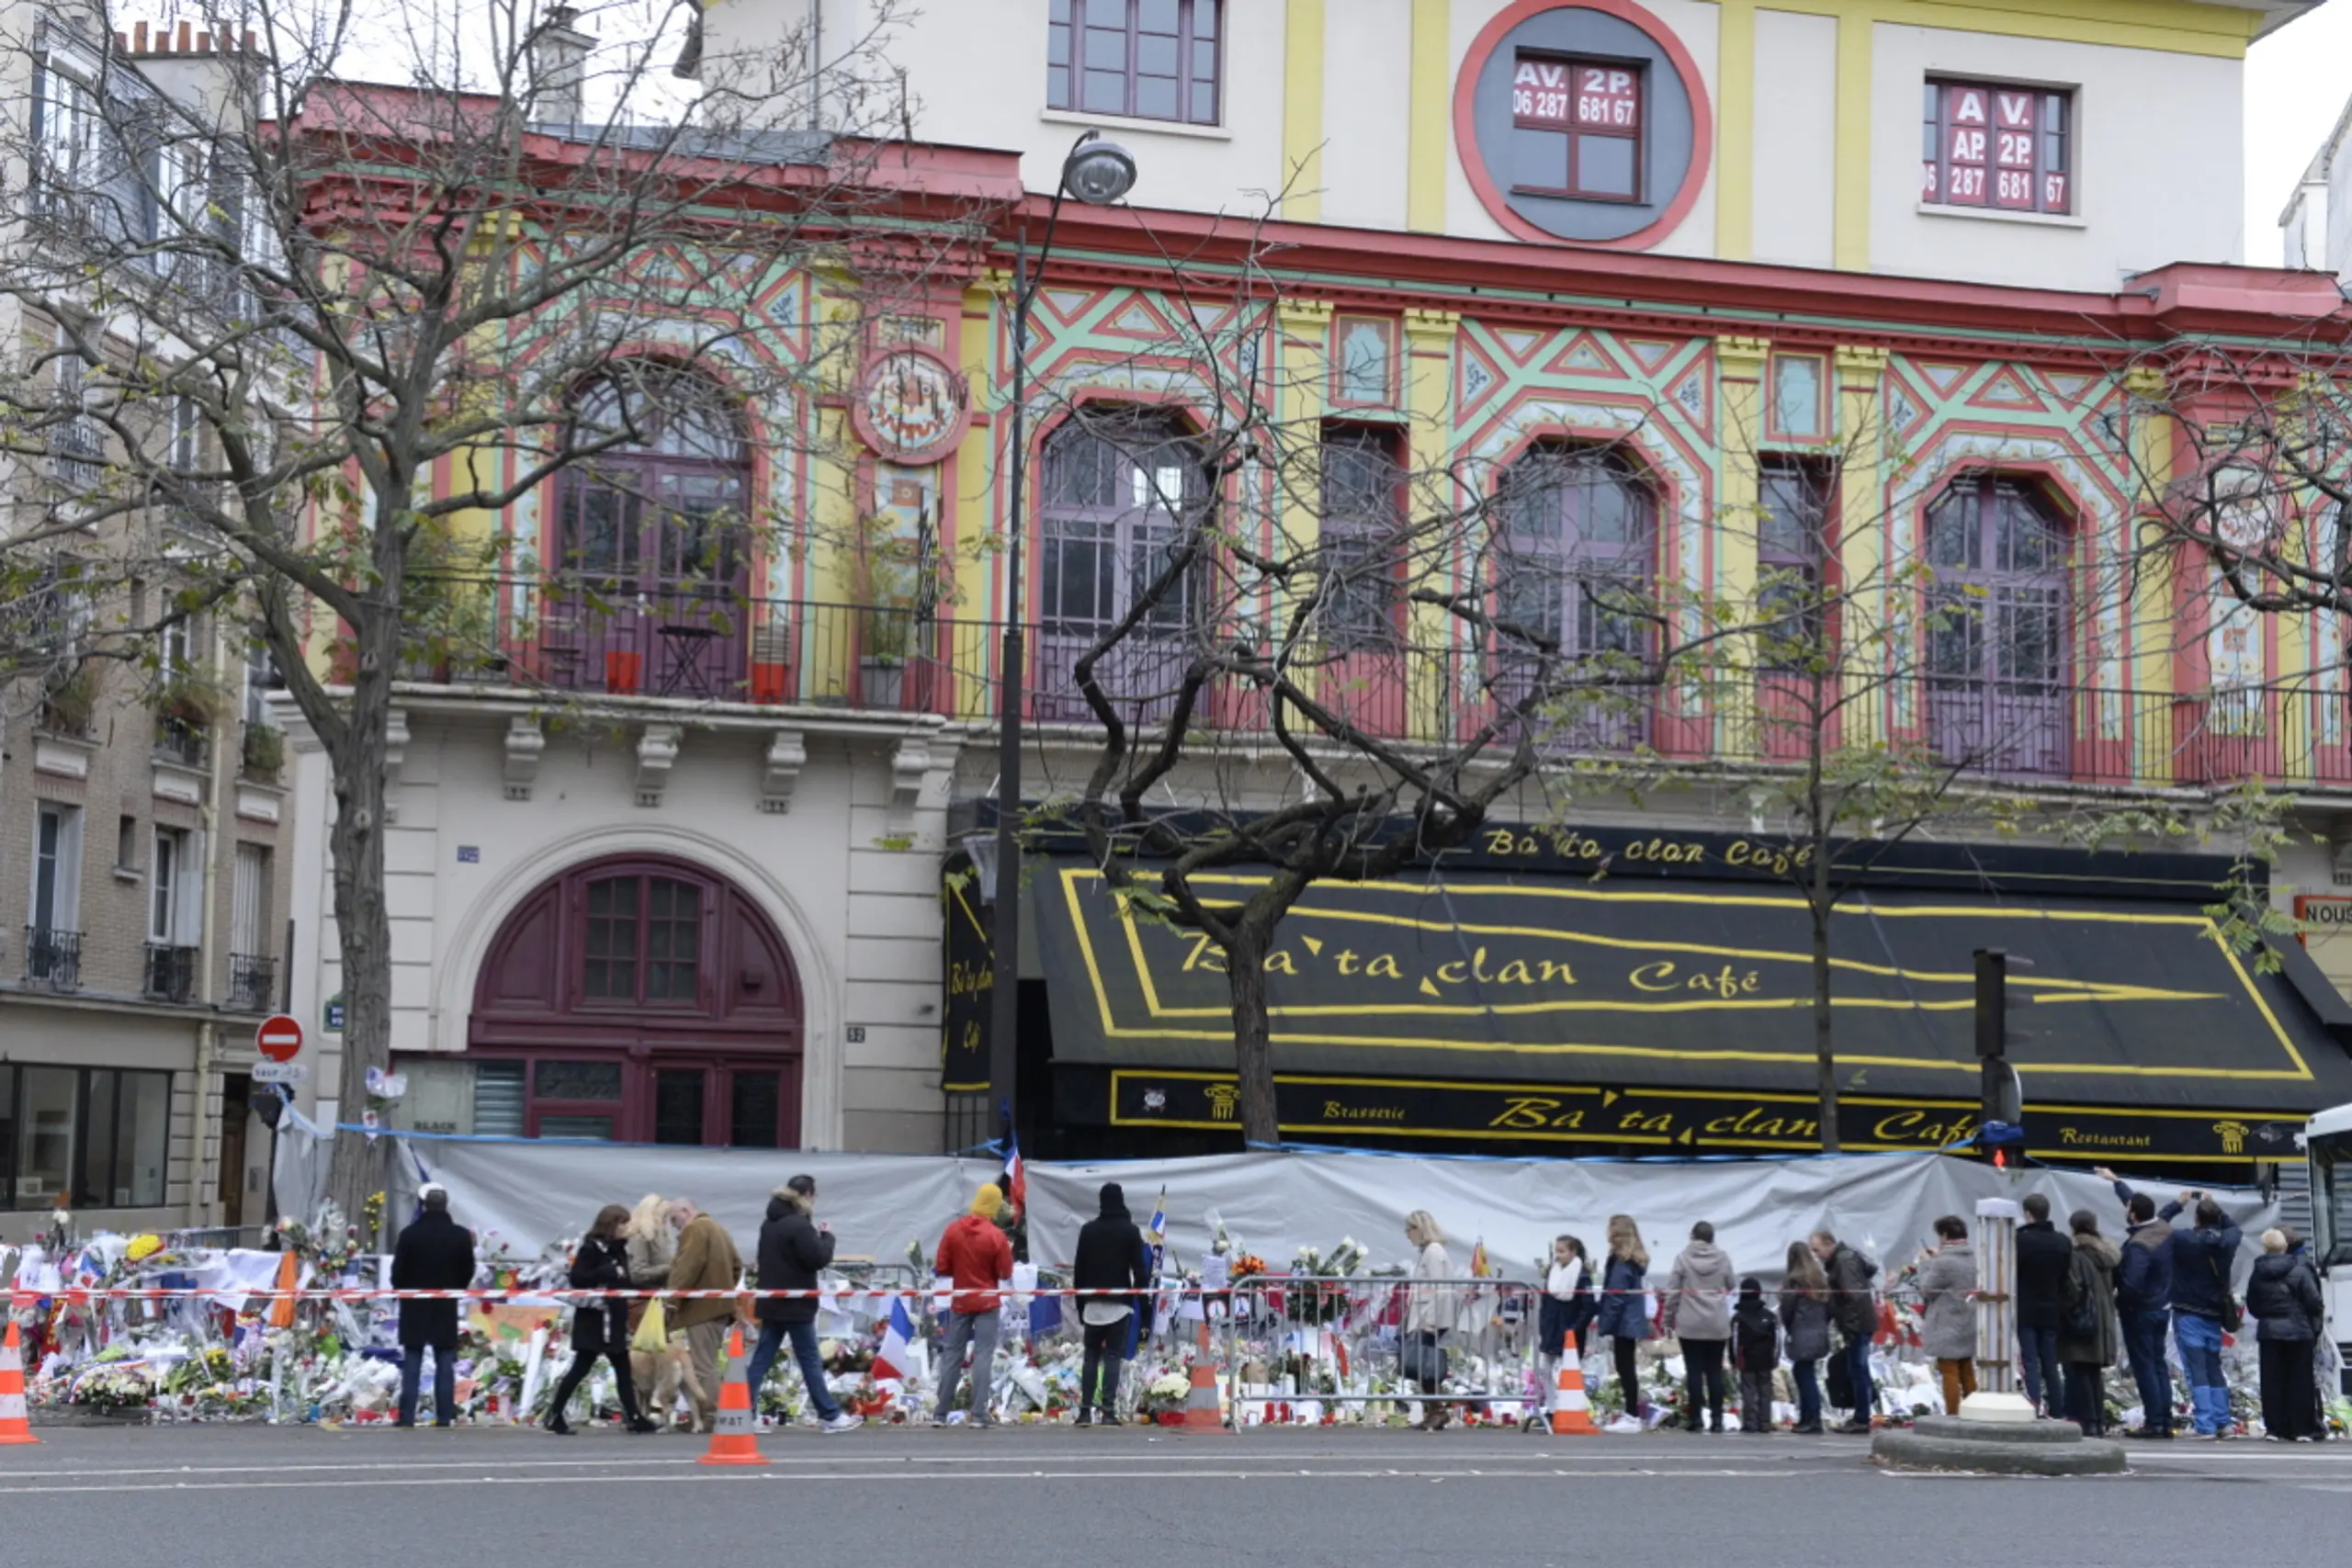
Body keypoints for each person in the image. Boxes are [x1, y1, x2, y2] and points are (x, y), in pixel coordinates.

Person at [2109, 1173, 2241, 1438]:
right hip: (2215, 1312)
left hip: (2187, 1310)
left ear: (2195, 1219)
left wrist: (2178, 1204)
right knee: (2213, 1367)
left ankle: (2204, 1424)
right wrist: (2213, 1206)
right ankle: (2223, 1422)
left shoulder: (2183, 1239)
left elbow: (2155, 1225)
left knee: (2195, 1369)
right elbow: (2232, 1226)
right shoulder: (2229, 1241)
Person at [746, 1175, 862, 1434]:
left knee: (761, 1359)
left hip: (772, 1301)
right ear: (807, 1195)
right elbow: (818, 1257)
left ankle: (745, 1412)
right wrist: (827, 1236)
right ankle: (830, 1415)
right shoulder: (799, 1225)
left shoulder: (769, 1224)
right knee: (810, 1360)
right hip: (797, 1304)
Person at [545, 1204, 658, 1436]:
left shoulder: (619, 1250)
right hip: (594, 1320)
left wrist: (647, 1289)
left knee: (623, 1369)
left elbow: (623, 1282)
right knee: (581, 1368)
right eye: (623, 1223)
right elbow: (579, 1279)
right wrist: (606, 1271)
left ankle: (634, 1416)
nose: (626, 1228)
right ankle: (554, 1413)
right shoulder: (591, 1248)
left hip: (614, 1319)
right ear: (611, 1225)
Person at [390, 1183, 476, 1428]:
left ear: (424, 1206)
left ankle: (406, 1416)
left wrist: (405, 1290)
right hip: (446, 1302)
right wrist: (455, 1288)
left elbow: (398, 1273)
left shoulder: (409, 1234)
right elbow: (468, 1270)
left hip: (414, 1303)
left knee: (413, 1359)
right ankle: (445, 1415)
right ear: (446, 1206)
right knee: (445, 1359)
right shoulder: (460, 1235)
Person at [933, 1182, 1015, 1428]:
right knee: (983, 1356)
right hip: (987, 1301)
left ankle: (940, 1413)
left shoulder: (953, 1230)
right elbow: (1005, 1271)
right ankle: (978, 1414)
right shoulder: (996, 1236)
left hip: (960, 1300)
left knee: (952, 1355)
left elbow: (943, 1267)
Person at [2101, 1175, 2176, 1439]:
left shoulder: (2139, 1246)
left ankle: (2154, 1422)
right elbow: (2145, 1209)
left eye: (2127, 1209)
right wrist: (2117, 1183)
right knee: (2158, 1365)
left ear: (2133, 1216)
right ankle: (2165, 1420)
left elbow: (2132, 1283)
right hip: (2162, 1306)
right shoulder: (2164, 1230)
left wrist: (2120, 1302)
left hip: (2141, 1310)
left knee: (2144, 1367)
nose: (2125, 1210)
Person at [1071, 1182, 1149, 1427]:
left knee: (1091, 1356)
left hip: (1093, 1303)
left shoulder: (1088, 1230)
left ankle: (1085, 1411)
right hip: (1120, 1304)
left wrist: (1080, 1305)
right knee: (1113, 1356)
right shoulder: (1130, 1231)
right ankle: (1107, 1411)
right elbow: (1140, 1270)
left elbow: (1079, 1271)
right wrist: (1143, 1305)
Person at [667, 1199, 747, 1435]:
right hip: (720, 1308)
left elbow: (687, 1268)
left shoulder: (695, 1229)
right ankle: (707, 1415)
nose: (674, 1226)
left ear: (686, 1211)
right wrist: (724, 1290)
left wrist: (671, 1300)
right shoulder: (718, 1228)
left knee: (704, 1366)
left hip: (700, 1308)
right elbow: (737, 1266)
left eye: (674, 1219)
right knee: (709, 1363)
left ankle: (710, 1416)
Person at [2245, 1227, 2325, 1441]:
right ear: (2285, 1247)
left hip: (2270, 1332)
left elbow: (2252, 1303)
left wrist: (2267, 1315)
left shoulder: (2258, 1271)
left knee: (2272, 1381)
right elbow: (2314, 1301)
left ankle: (2275, 1428)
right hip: (2299, 1331)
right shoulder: (2300, 1269)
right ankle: (2302, 1429)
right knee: (2301, 1380)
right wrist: (2312, 1324)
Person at [624, 1195, 695, 1429]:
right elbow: (637, 1272)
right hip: (644, 1307)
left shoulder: (657, 1237)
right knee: (645, 1361)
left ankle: (656, 1410)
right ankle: (646, 1410)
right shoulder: (639, 1238)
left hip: (656, 1305)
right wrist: (672, 1267)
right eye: (663, 1217)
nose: (667, 1222)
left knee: (661, 1362)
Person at [1662, 1220, 1736, 1433]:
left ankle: (1695, 1418)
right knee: (1714, 1371)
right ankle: (1717, 1419)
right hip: (1716, 1323)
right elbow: (1731, 1283)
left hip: (1690, 1322)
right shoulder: (1722, 1258)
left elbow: (1673, 1292)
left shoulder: (1683, 1258)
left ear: (1692, 1236)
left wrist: (1668, 1320)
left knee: (1693, 1370)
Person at [2058, 1209, 2121, 1438]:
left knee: (2080, 1369)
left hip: (2083, 1315)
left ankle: (2087, 1420)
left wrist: (2063, 1310)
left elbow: (2073, 1288)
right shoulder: (2108, 1253)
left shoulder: (2076, 1253)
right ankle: (2098, 1419)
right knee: (2094, 1372)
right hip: (2104, 1316)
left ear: (2074, 1227)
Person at [1812, 1227, 1879, 1433]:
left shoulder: (1843, 1261)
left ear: (1828, 1244)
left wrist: (1849, 1326)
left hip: (1857, 1323)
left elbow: (1854, 1296)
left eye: (1816, 1249)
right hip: (1859, 1321)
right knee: (1858, 1370)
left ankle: (1861, 1418)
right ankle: (1861, 1415)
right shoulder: (1843, 1260)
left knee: (1858, 1370)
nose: (1816, 1255)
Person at [2014, 1193, 2073, 1418]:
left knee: (2031, 1362)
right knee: (2050, 1363)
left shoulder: (2021, 1240)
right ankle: (2058, 1410)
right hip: (2052, 1309)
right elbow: (2066, 1277)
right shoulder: (2062, 1241)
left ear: (2028, 1214)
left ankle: (2034, 1407)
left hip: (2026, 1309)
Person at [1916, 1215, 1978, 1416]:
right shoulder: (1972, 1257)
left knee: (1949, 1369)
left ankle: (1953, 1414)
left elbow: (1926, 1289)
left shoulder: (1943, 1262)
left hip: (1947, 1323)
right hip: (1968, 1319)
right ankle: (1974, 1410)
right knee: (1967, 1368)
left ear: (1943, 1235)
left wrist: (1925, 1264)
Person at [1403, 1210, 1458, 1431]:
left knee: (1427, 1366)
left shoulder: (1433, 1253)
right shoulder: (1430, 1252)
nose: (1407, 1235)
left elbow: (1438, 1287)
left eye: (1409, 1230)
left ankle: (1438, 1411)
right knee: (1424, 1366)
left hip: (1430, 1317)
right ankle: (1433, 1411)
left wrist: (1432, 1320)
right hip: (1426, 1315)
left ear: (1419, 1229)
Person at [1595, 1215, 1652, 1425]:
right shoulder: (1632, 1260)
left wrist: (1605, 1322)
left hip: (1623, 1321)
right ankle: (1631, 1412)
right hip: (1630, 1318)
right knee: (1626, 1366)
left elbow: (1615, 1296)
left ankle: (1632, 1414)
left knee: (1625, 1367)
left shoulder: (1621, 1261)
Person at [1778, 1240, 1832, 1435]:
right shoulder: (1819, 1278)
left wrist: (1789, 1326)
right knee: (1807, 1373)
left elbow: (1787, 1309)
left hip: (1802, 1331)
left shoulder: (1794, 1281)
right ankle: (1811, 1417)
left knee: (1803, 1374)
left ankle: (1811, 1418)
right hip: (1819, 1331)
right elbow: (1830, 1307)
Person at [1537, 1235, 1596, 1392]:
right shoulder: (1552, 1273)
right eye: (1556, 1251)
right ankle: (1551, 1408)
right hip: (1550, 1329)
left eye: (1562, 1251)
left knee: (1566, 1373)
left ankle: (1566, 1406)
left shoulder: (1583, 1276)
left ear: (1573, 1252)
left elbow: (1588, 1307)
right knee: (1547, 1372)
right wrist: (1543, 1326)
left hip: (1570, 1330)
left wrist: (1575, 1329)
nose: (1558, 1255)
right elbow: (1545, 1302)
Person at [1730, 1278, 1780, 1435]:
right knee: (1765, 1390)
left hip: (1746, 1359)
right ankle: (1764, 1422)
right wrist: (1776, 1358)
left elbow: (1734, 1341)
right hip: (1766, 1358)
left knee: (1748, 1390)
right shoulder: (1770, 1317)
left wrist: (1734, 1359)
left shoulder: (1738, 1318)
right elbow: (1778, 1340)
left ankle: (1750, 1422)